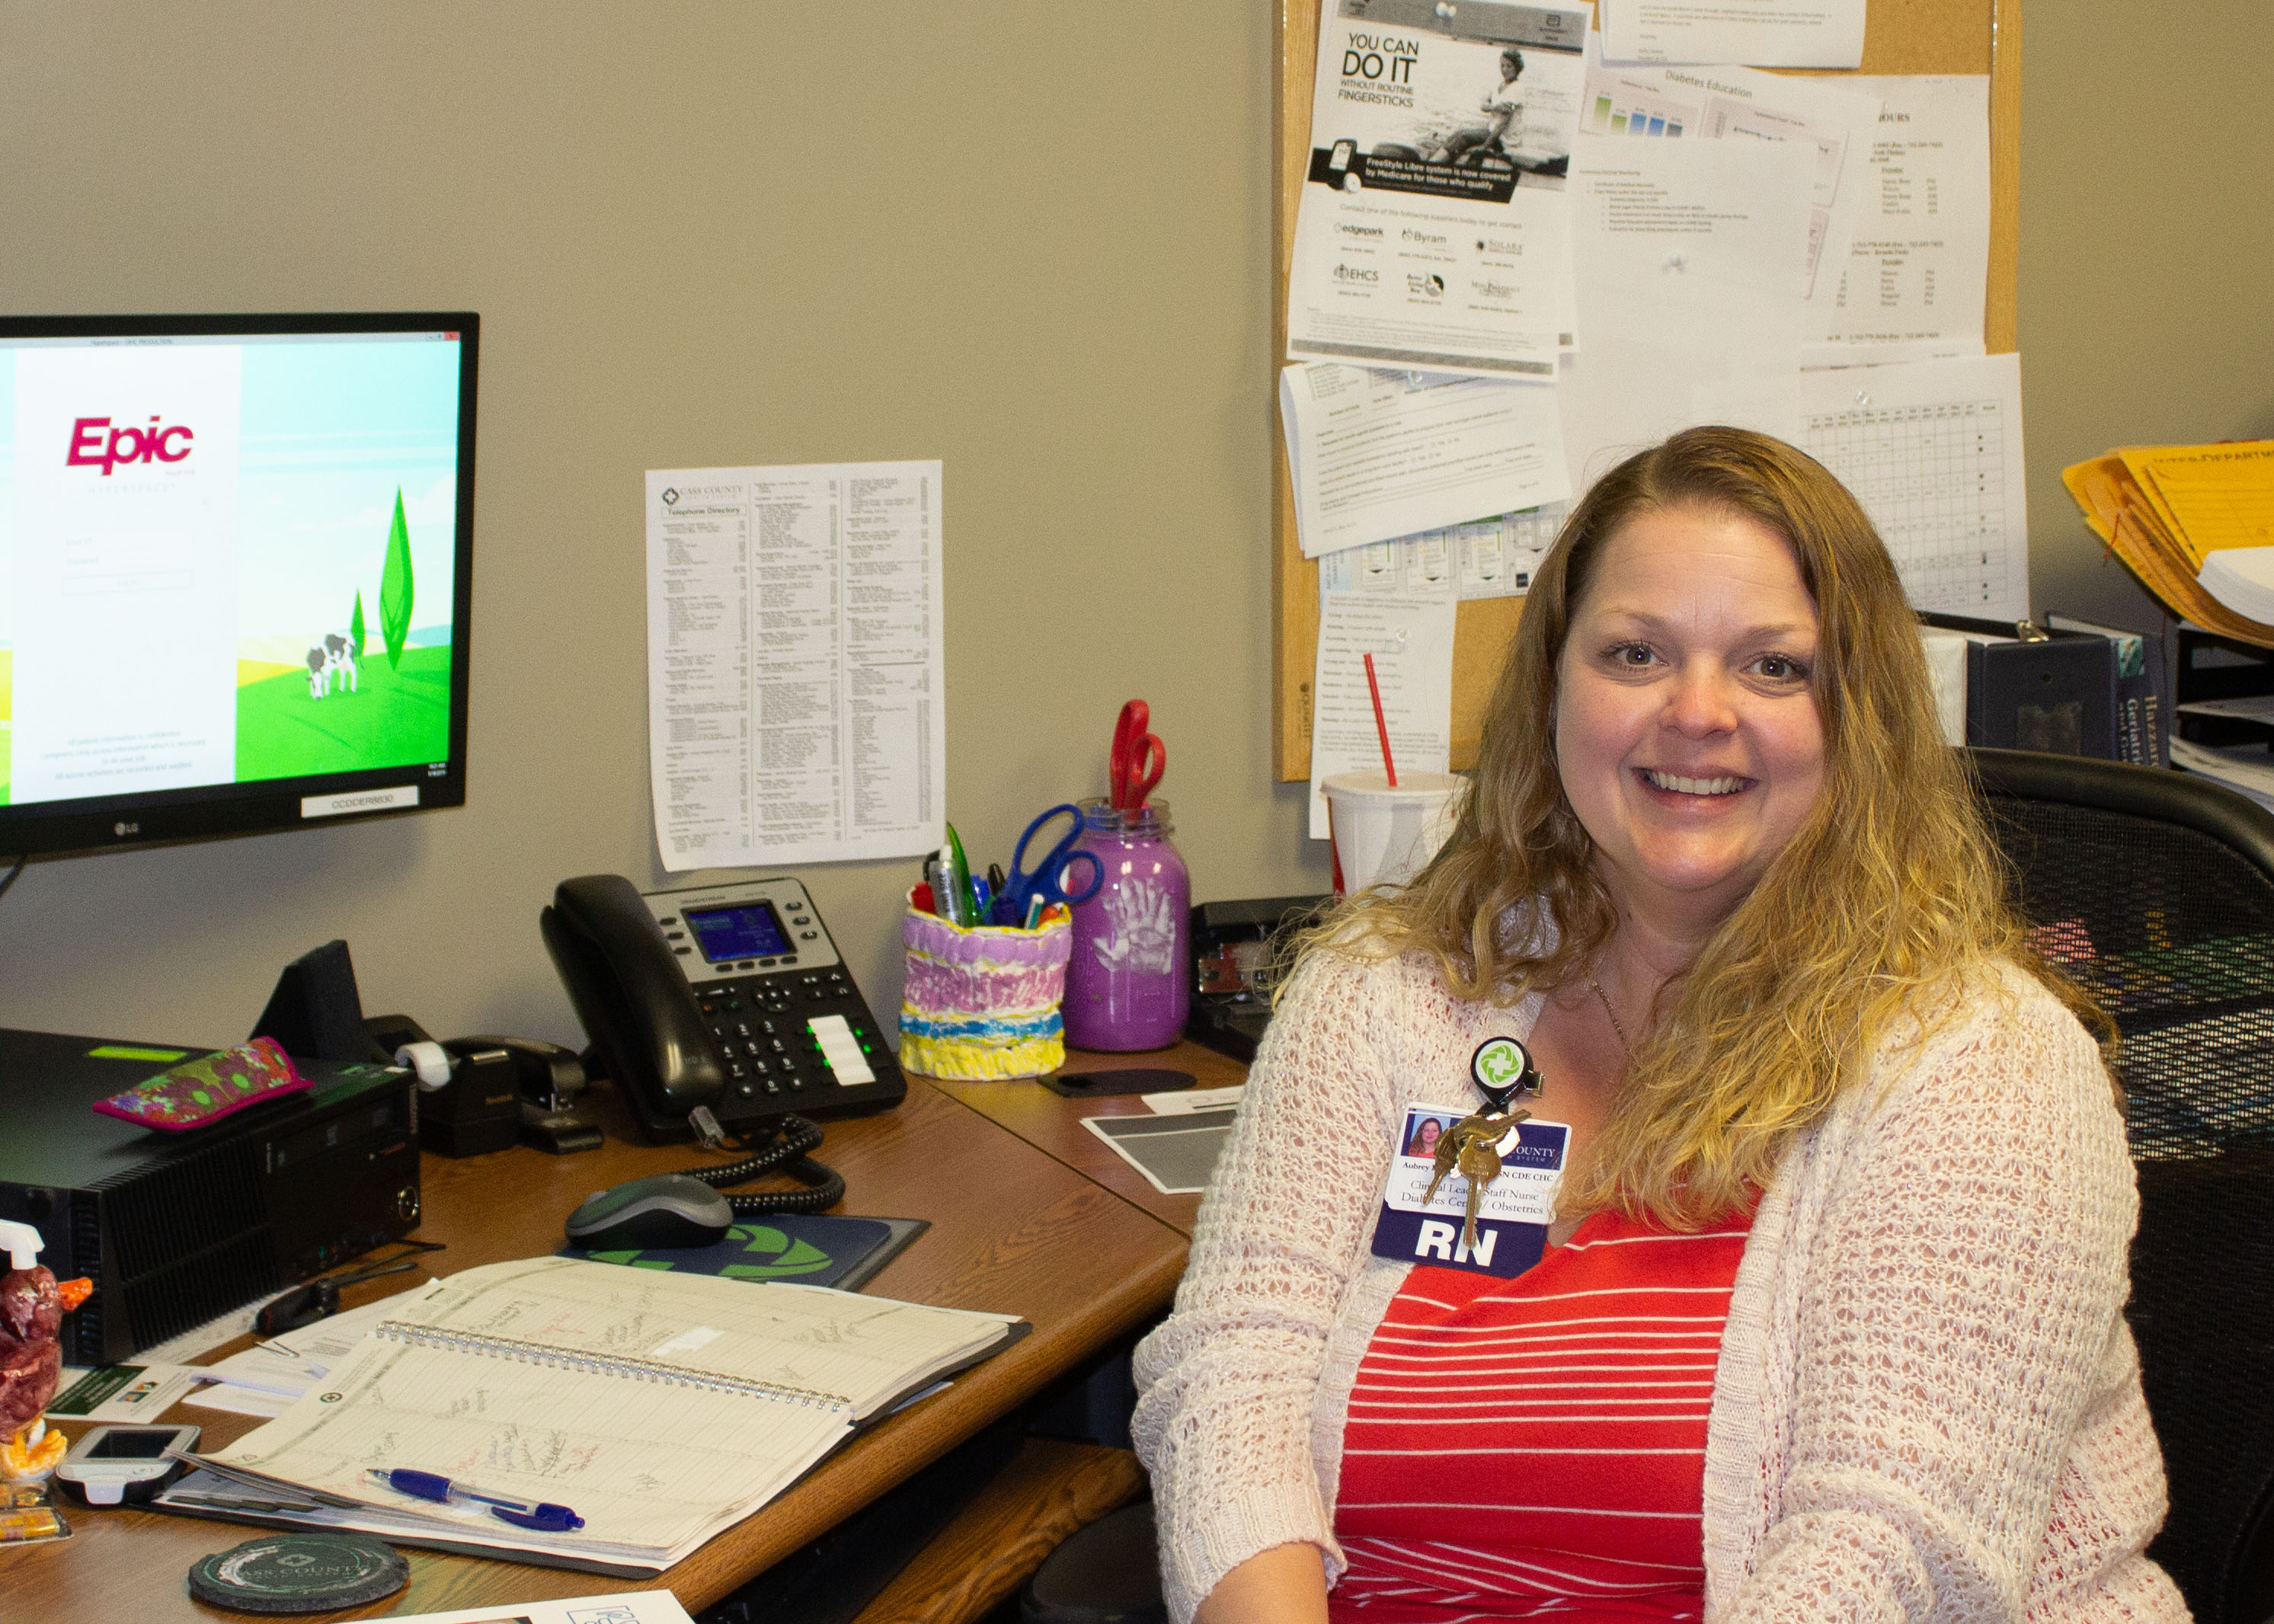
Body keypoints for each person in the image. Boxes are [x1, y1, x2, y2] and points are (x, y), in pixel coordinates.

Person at [1131, 427, 2184, 1624]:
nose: (1696, 713)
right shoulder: (1386, 990)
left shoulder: (1978, 1060)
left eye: (1774, 668)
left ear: (1864, 715)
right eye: (1635, 652)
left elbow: (1893, 1550)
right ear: (1552, 687)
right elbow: (1231, 1374)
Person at [1432, 49, 1523, 167]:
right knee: (1459, 132)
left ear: (1517, 68)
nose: (1505, 70)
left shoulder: (1516, 89)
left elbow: (1502, 124)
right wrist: (1495, 107)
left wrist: (1484, 147)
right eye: (1502, 66)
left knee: (1464, 137)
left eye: (1509, 66)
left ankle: (1434, 165)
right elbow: (1484, 106)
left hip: (1504, 139)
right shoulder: (1500, 85)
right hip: (1492, 131)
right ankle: (1439, 161)